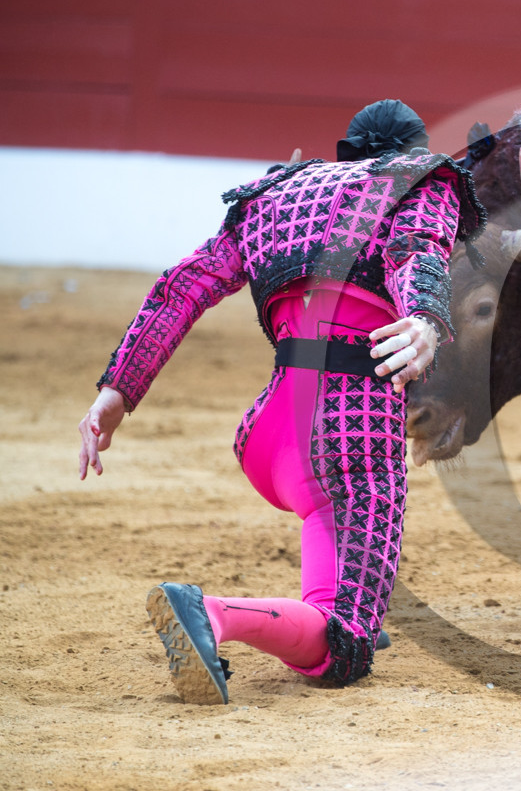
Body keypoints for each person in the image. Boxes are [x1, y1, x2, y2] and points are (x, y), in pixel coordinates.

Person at [77, 99, 486, 704]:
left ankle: (332, 606)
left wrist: (118, 390)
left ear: (348, 156)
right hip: (350, 429)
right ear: (412, 153)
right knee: (346, 649)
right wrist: (424, 317)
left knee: (331, 585)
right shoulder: (420, 181)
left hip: (273, 433)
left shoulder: (276, 195)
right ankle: (213, 615)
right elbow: (415, 249)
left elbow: (183, 286)